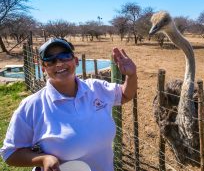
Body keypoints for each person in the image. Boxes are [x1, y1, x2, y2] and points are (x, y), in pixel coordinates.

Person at [0, 38, 137, 171]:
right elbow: (10, 154)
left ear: (75, 61)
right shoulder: (32, 105)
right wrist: (43, 159)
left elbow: (125, 95)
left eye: (65, 56)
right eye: (50, 60)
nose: (59, 63)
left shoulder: (96, 88)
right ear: (43, 68)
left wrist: (131, 75)